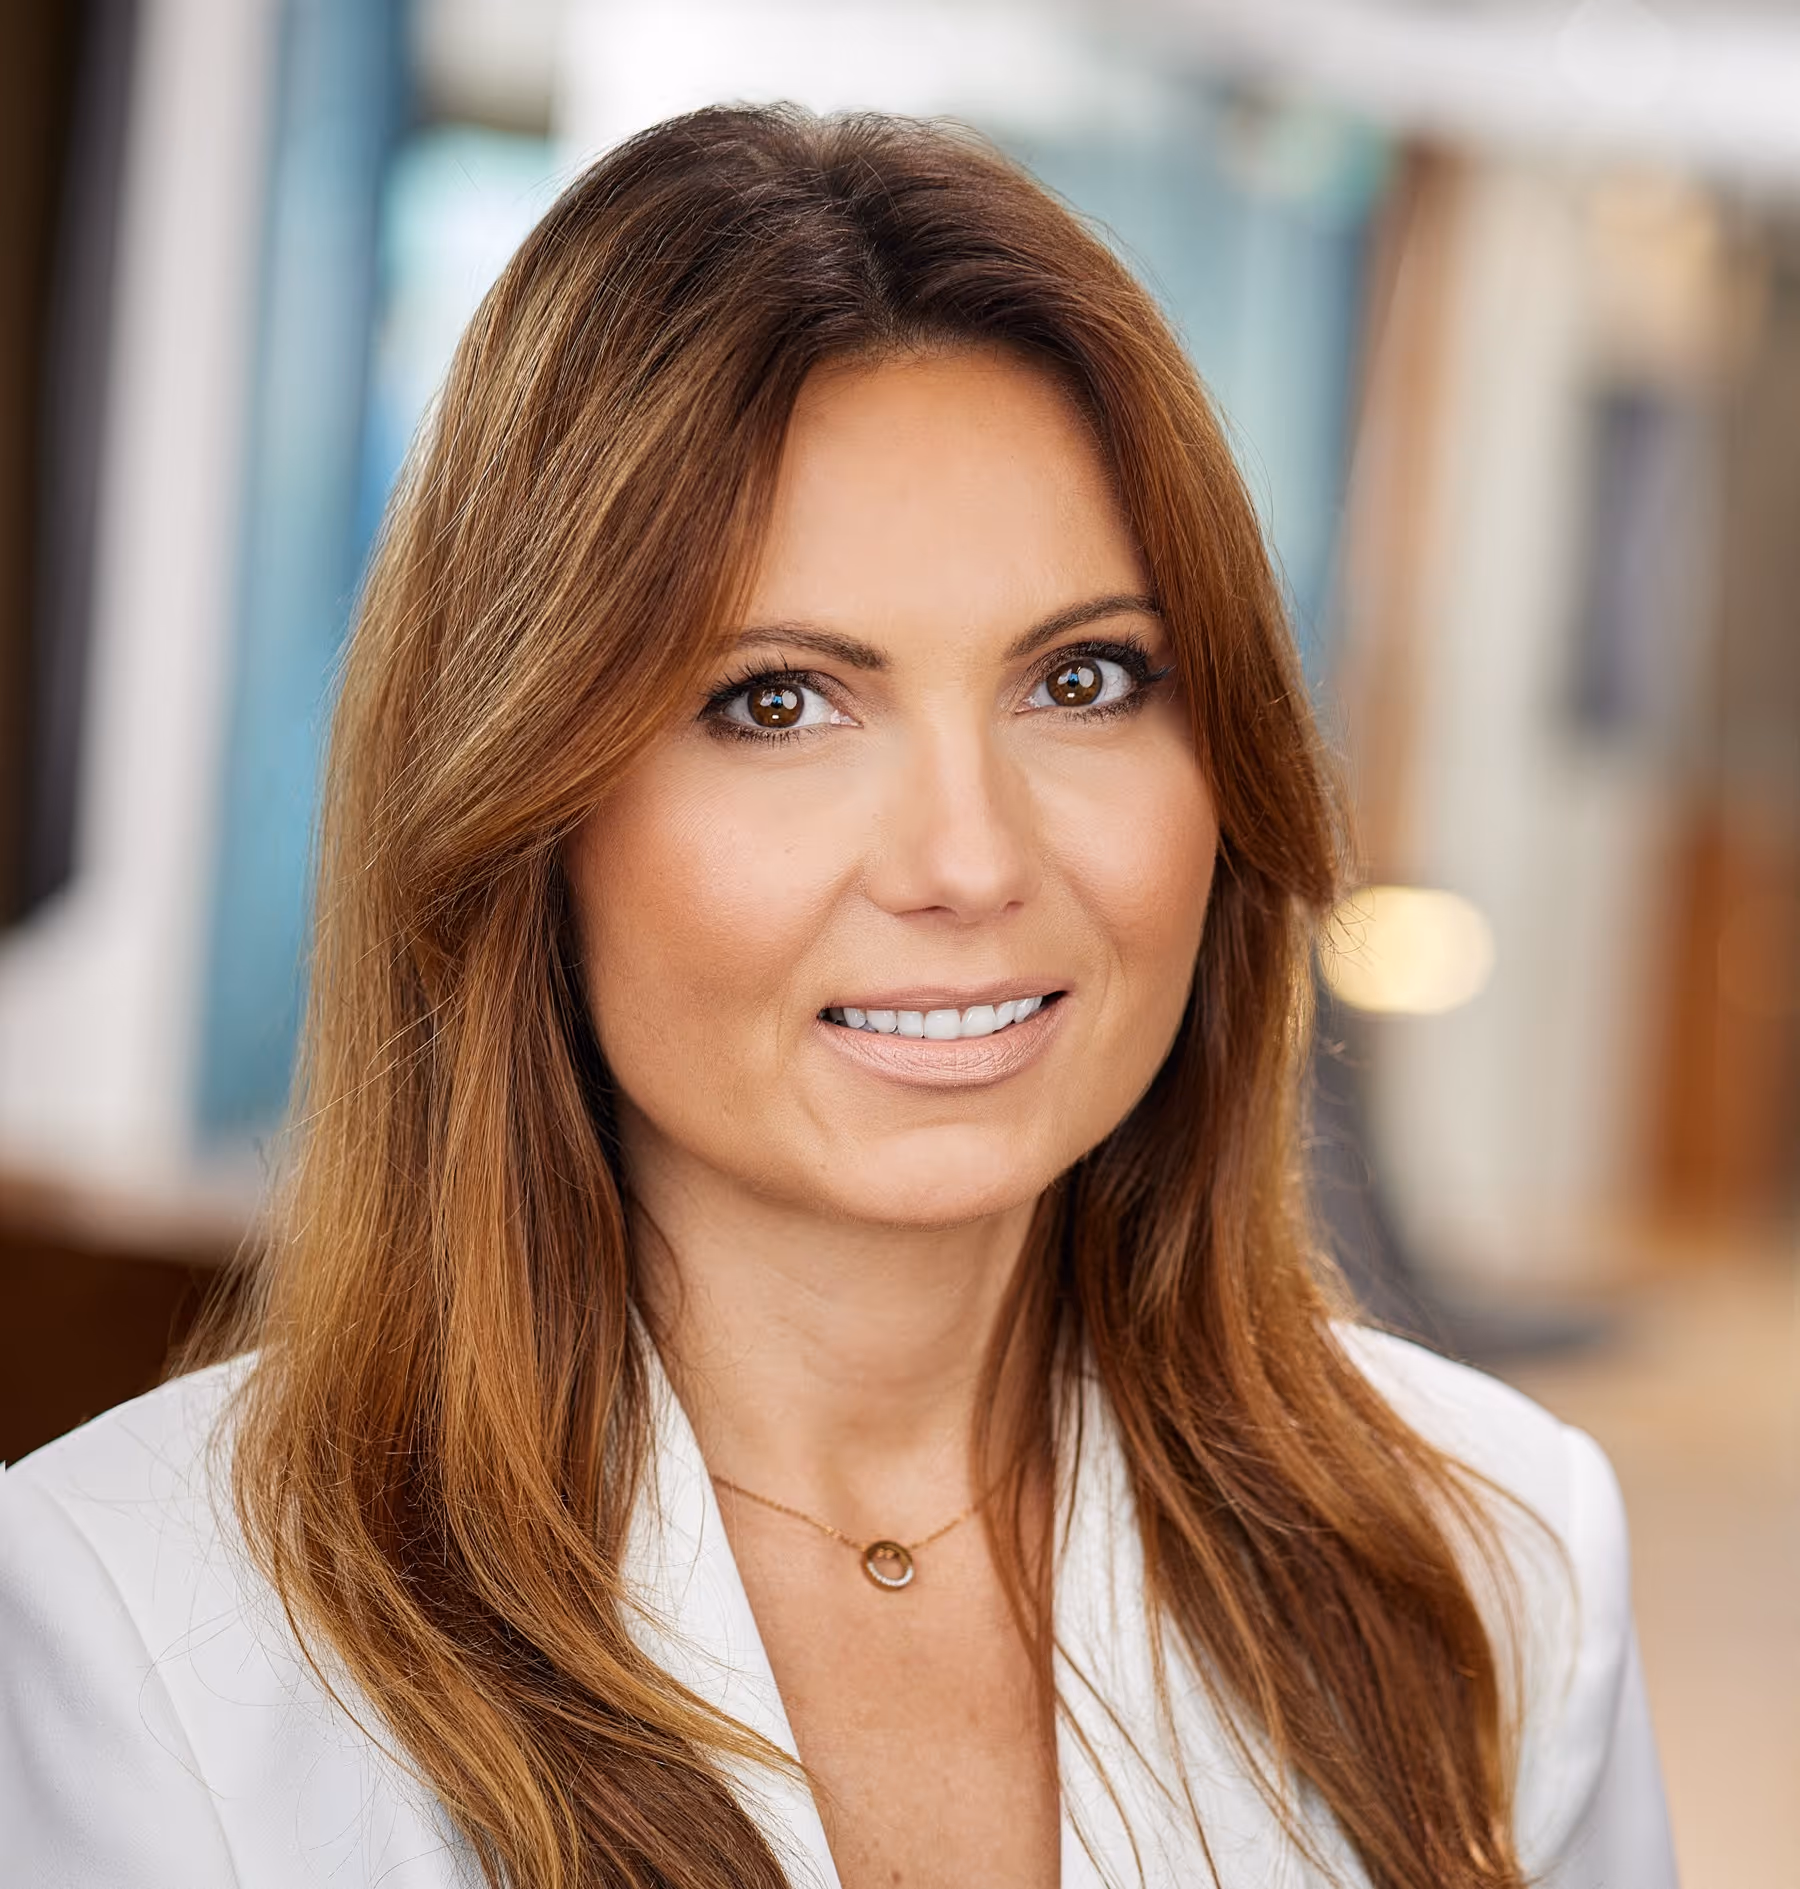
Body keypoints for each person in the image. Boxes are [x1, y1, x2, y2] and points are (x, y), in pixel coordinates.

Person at [0, 107, 1676, 1889]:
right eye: (780, 703)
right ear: (524, 804)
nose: (967, 859)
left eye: (1087, 678)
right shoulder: (118, 1636)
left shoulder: (1496, 1558)